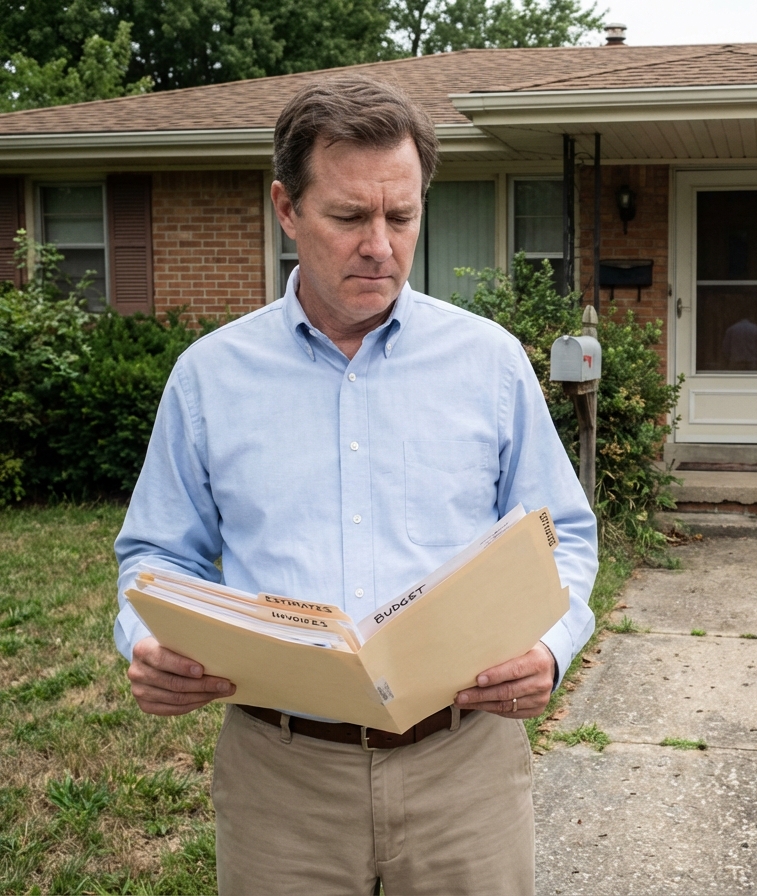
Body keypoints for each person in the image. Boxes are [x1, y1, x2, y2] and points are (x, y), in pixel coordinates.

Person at [112, 74, 597, 895]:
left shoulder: (489, 363)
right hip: (281, 777)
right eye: (349, 216)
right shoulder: (211, 378)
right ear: (287, 208)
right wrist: (148, 643)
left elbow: (567, 536)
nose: (381, 244)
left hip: (465, 764)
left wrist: (550, 651)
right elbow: (156, 553)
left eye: (401, 216)